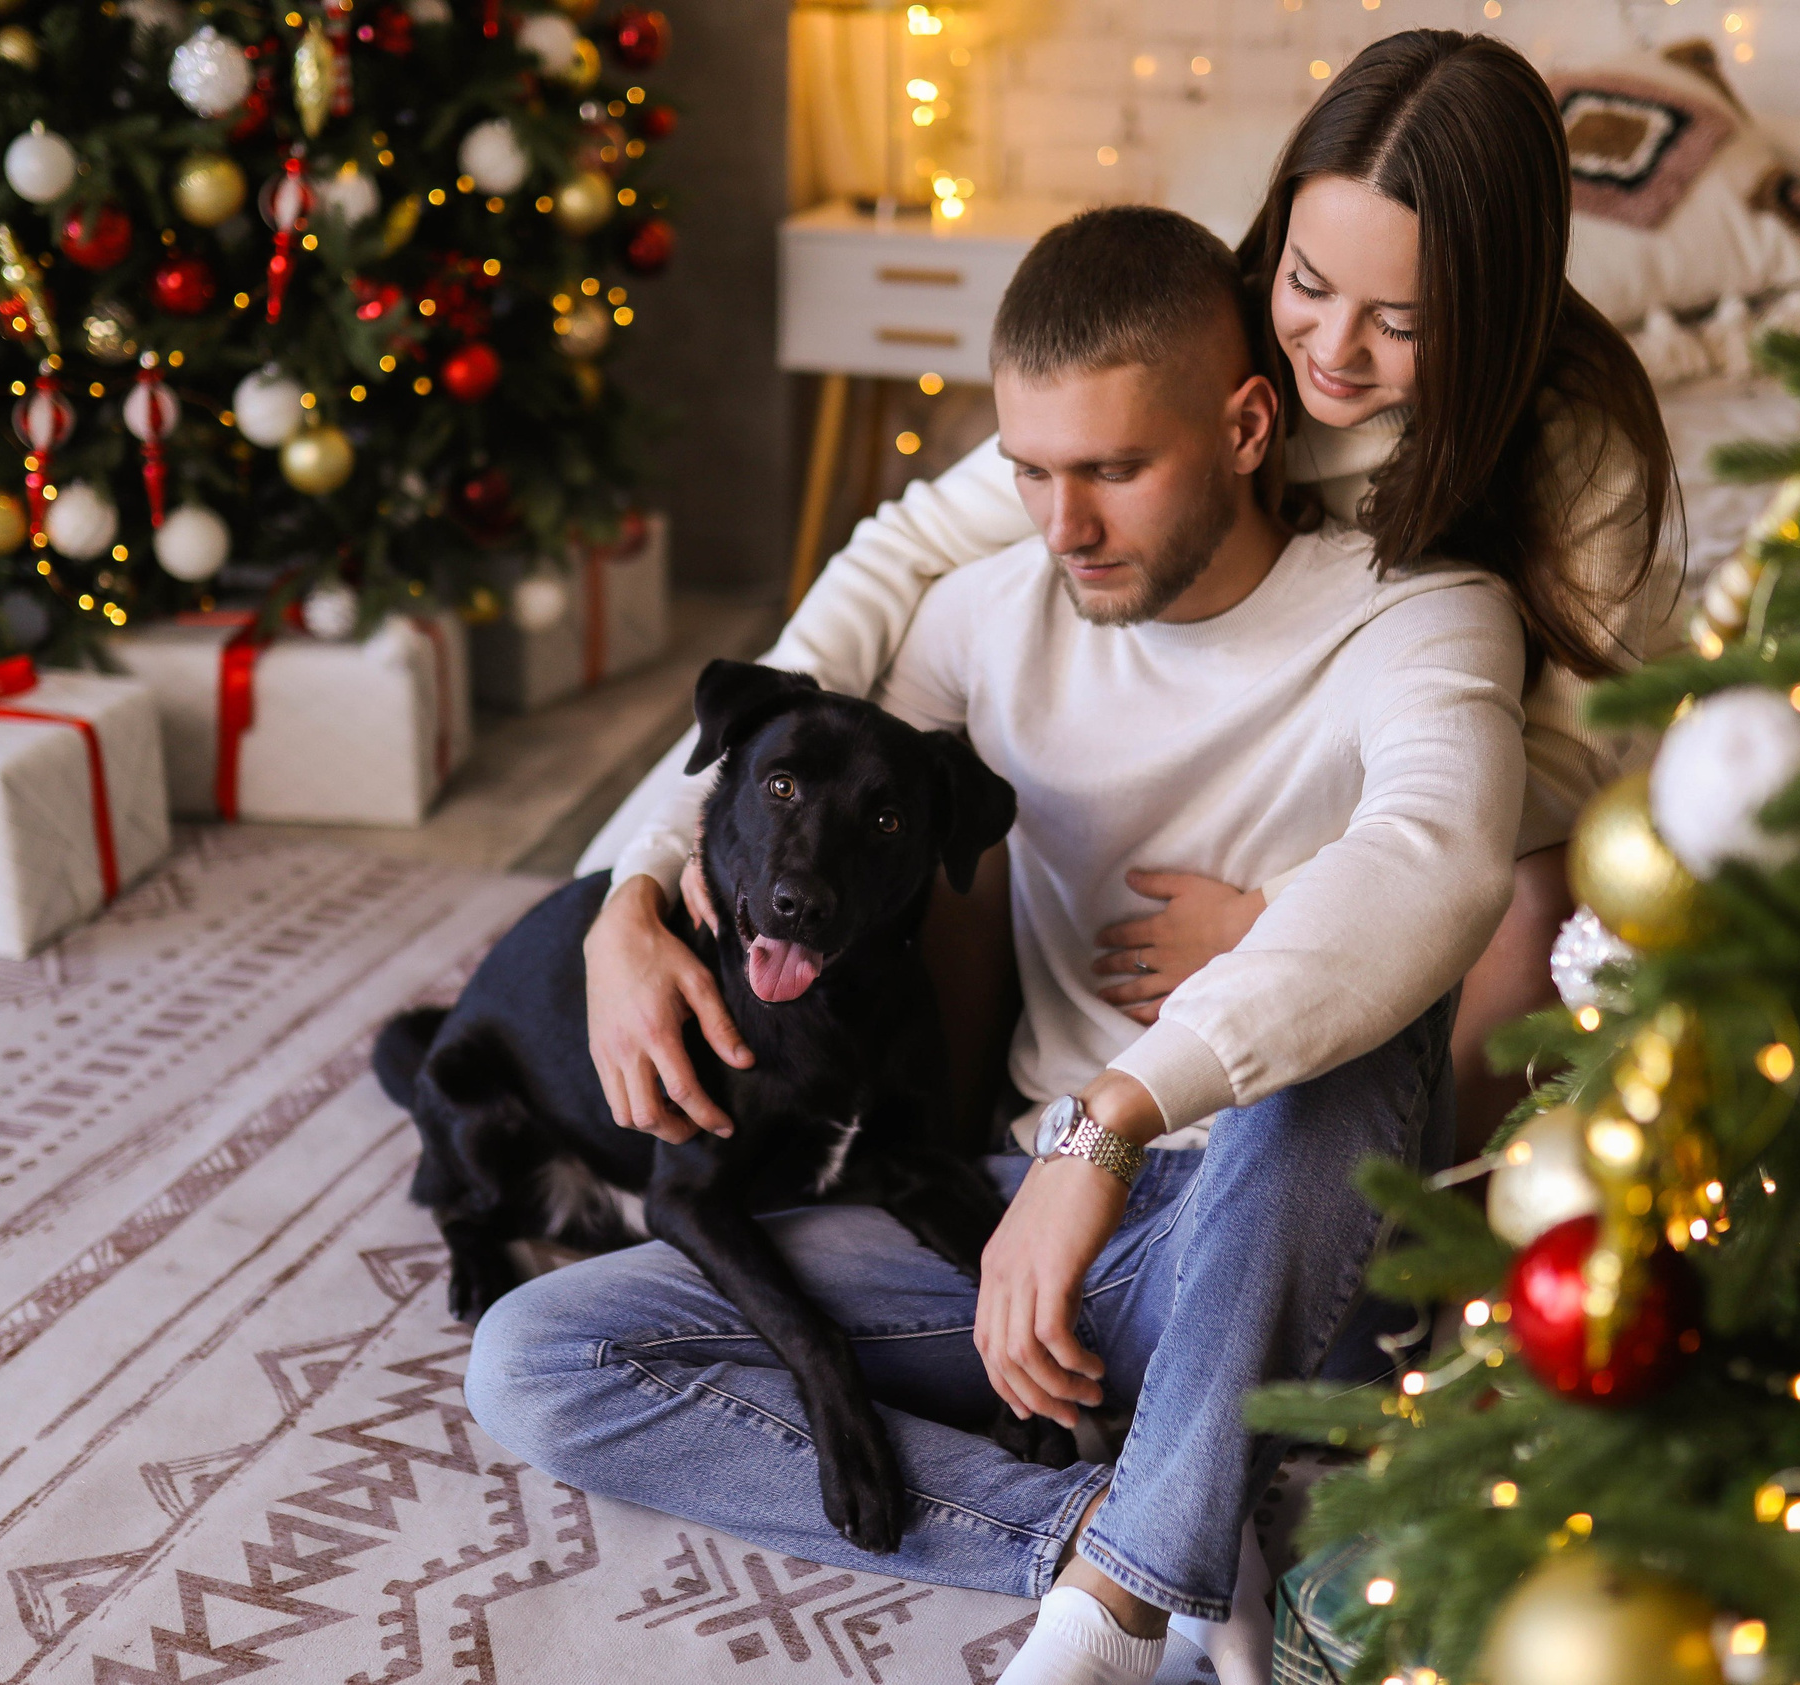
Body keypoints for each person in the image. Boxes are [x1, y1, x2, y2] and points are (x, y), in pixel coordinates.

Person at [469, 205, 1524, 1685]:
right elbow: (805, 755)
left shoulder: (1426, 617)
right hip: (1026, 1235)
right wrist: (629, 895)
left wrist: (1112, 1121)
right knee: (538, 1357)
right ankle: (1120, 1530)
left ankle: (1112, 1615)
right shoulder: (979, 618)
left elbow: (1435, 861)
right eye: (1030, 470)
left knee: (1360, 1018)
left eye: (1113, 471)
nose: (1062, 524)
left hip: (1286, 1235)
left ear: (1244, 427)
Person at [577, 29, 1679, 1157]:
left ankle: (1451, 1225)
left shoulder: (1582, 453)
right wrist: (646, 871)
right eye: (1306, 283)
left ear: (1496, 311)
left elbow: (1557, 769)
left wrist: (1280, 911)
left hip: (1427, 804)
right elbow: (904, 549)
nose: (1334, 351)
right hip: (1210, 770)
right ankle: (940, 1147)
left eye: (1401, 321)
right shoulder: (1223, 342)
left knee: (1532, 897)